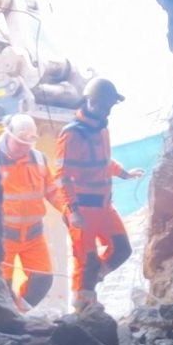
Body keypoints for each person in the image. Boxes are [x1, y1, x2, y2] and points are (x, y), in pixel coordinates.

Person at [52, 77, 145, 312]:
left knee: (122, 249)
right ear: (91, 101)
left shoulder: (101, 128)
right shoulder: (72, 134)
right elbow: (62, 176)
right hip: (82, 209)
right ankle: (83, 311)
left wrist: (124, 173)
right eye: (105, 105)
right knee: (87, 261)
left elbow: (102, 162)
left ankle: (90, 287)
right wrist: (72, 211)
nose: (108, 110)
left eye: (110, 106)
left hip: (104, 206)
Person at [0, 113, 68, 312]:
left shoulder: (39, 160)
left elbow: (52, 191)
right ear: (8, 135)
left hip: (34, 235)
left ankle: (21, 314)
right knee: (2, 287)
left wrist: (68, 211)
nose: (24, 148)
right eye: (19, 143)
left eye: (27, 144)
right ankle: (6, 322)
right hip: (3, 238)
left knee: (43, 280)